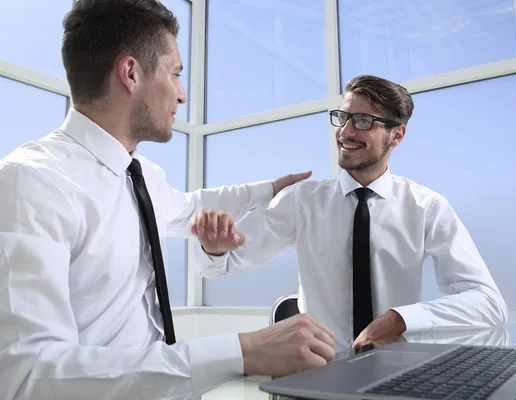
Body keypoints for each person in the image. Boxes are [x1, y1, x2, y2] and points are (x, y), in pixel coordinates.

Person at [0, 0, 335, 398]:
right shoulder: (33, 183)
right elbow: (26, 376)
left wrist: (268, 190)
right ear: (130, 73)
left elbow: (194, 206)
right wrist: (242, 351)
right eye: (176, 74)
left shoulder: (144, 177)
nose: (182, 95)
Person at [194, 74, 509, 351]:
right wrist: (214, 248)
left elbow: (490, 304)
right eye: (342, 118)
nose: (345, 132)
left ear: (396, 135)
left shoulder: (426, 207)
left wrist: (402, 319)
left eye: (362, 121)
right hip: (317, 373)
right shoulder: (301, 201)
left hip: (394, 373)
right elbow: (218, 265)